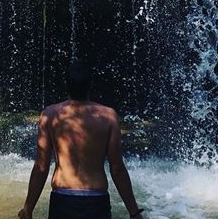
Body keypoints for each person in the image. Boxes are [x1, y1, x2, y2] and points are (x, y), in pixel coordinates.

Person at [18, 60, 144, 219]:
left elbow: (41, 166)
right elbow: (117, 168)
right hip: (96, 201)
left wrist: (28, 208)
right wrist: (133, 212)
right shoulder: (108, 116)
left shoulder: (49, 115)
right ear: (90, 85)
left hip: (63, 199)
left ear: (66, 85)